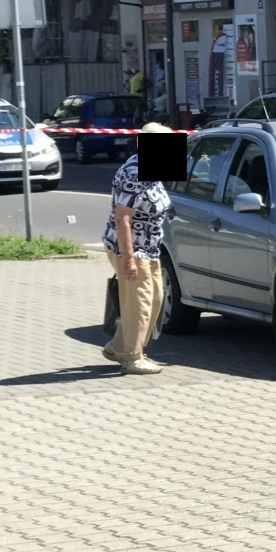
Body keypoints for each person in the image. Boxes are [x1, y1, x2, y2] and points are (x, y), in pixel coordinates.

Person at [101, 123, 175, 375]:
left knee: (154, 299)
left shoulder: (150, 166)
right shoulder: (136, 172)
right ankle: (133, 357)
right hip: (133, 249)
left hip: (150, 247)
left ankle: (118, 346)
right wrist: (128, 259)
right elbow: (123, 218)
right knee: (140, 302)